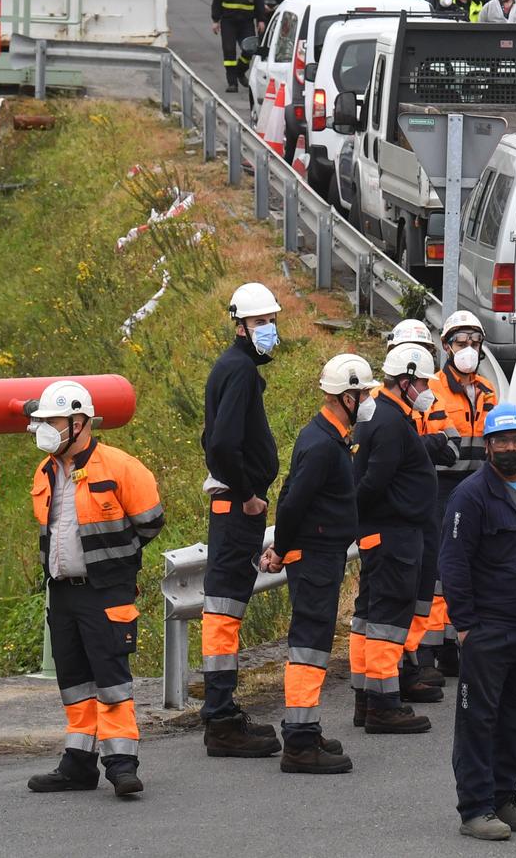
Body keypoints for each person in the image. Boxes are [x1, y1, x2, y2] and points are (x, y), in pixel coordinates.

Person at [26, 380, 163, 798]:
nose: (46, 429)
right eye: (43, 421)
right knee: (74, 683)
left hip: (106, 591)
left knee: (111, 681)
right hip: (64, 592)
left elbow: (151, 522)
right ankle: (78, 763)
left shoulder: (120, 466)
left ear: (80, 422)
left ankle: (122, 764)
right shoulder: (46, 470)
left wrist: (114, 561)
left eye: (53, 421)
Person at [440, 406, 516, 841]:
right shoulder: (469, 496)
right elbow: (453, 564)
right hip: (489, 631)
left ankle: (505, 799)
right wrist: (466, 624)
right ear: (488, 445)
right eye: (502, 441)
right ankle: (475, 809)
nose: (511, 448)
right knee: (479, 720)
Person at [260, 354, 366, 774]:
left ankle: (306, 727)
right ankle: (300, 742)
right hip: (316, 556)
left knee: (313, 642)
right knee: (309, 645)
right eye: (362, 394)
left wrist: (283, 549)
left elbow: (291, 493)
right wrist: (283, 548)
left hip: (321, 552)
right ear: (347, 397)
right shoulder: (324, 444)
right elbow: (292, 503)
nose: (367, 401)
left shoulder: (325, 435)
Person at [199, 281, 283, 757]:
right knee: (225, 610)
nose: (268, 329)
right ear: (240, 326)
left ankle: (222, 714)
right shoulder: (240, 372)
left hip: (232, 504)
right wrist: (249, 494)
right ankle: (221, 719)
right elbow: (223, 443)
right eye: (259, 322)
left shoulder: (232, 368)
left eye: (272, 321)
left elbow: (209, 436)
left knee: (224, 609)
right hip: (237, 507)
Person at [350, 343, 441, 733]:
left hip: (382, 533)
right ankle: (384, 705)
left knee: (368, 616)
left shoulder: (380, 414)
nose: (427, 389)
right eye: (422, 381)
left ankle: (365, 698)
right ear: (405, 381)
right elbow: (373, 481)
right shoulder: (389, 421)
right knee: (387, 619)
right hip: (393, 536)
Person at [419, 311, 500, 678]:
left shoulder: (486, 390)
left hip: (475, 488)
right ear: (446, 346)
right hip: (439, 486)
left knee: (466, 567)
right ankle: (426, 648)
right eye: (460, 342)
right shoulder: (432, 388)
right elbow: (432, 438)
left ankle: (453, 645)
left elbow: (493, 439)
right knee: (437, 568)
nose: (467, 348)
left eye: (474, 342)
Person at [210, 0, 262, 92]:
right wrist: (215, 20)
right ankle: (232, 82)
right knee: (229, 51)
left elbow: (259, 1)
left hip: (246, 22)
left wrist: (261, 20)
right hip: (229, 22)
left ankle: (240, 70)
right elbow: (217, 0)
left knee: (250, 49)